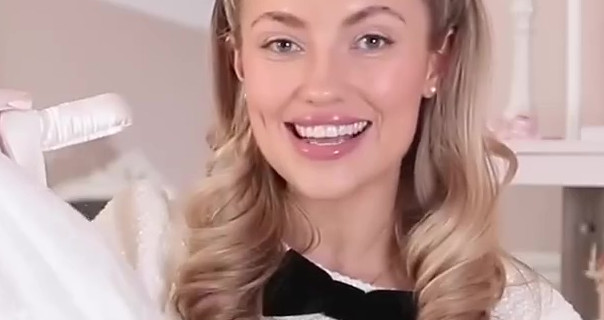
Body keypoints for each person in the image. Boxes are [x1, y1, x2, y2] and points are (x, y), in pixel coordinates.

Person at [0, 1, 584, 320]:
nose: (322, 87)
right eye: (283, 43)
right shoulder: (144, 247)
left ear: (439, 60)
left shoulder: (527, 313)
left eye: (371, 39)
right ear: (240, 63)